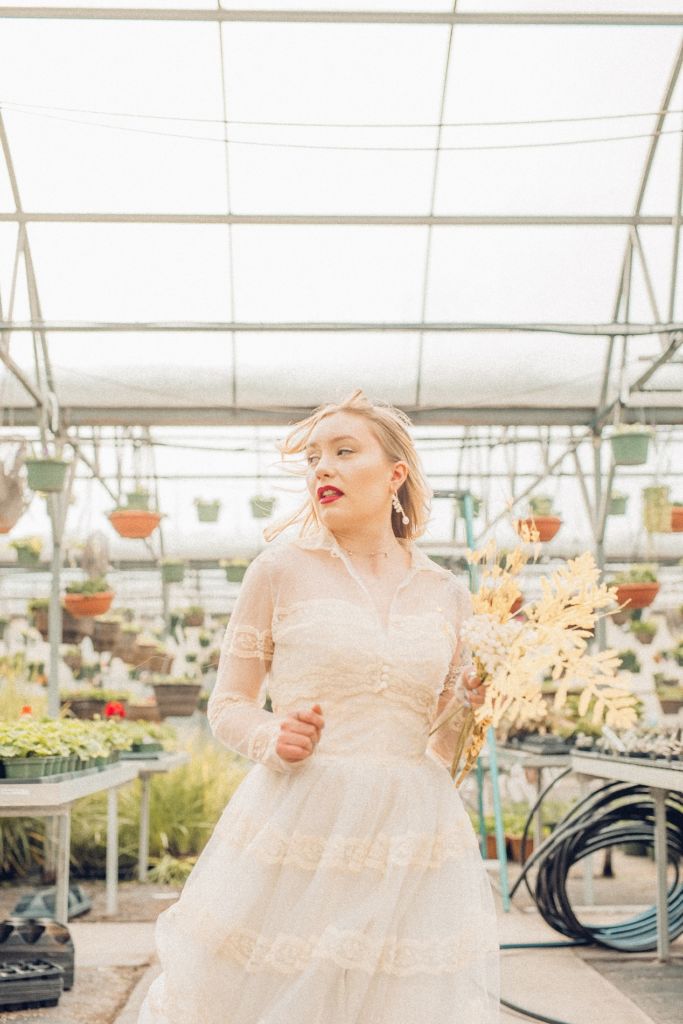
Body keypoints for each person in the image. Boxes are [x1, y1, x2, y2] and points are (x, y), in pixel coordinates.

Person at [138, 389, 500, 1024]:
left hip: (411, 832)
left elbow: (444, 748)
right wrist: (273, 736)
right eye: (312, 458)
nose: (321, 469)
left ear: (396, 475)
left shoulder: (448, 593)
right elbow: (229, 705)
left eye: (343, 451)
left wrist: (475, 705)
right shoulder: (278, 571)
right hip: (300, 823)